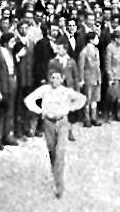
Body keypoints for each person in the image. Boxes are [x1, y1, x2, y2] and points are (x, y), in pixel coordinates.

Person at [23, 71, 86, 199]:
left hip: (62, 122)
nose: (55, 81)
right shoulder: (44, 89)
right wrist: (40, 111)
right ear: (49, 79)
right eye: (52, 78)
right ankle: (55, 173)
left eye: (58, 78)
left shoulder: (66, 91)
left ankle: (59, 185)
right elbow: (28, 100)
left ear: (62, 79)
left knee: (60, 152)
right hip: (48, 123)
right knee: (52, 150)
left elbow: (82, 99)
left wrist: (70, 108)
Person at [0, 32, 19, 150]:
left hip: (11, 84)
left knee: (10, 112)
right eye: (12, 41)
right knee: (0, 114)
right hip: (2, 86)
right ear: (6, 42)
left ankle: (7, 135)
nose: (13, 44)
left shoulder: (11, 53)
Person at [77, 32, 102, 127]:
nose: (97, 40)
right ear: (91, 40)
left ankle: (94, 118)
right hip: (88, 78)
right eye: (96, 38)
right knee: (87, 99)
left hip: (96, 77)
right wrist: (81, 79)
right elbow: (81, 67)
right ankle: (86, 119)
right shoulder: (84, 52)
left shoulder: (96, 50)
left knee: (95, 99)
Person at [104, 28, 120, 121]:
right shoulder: (110, 47)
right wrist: (110, 77)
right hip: (114, 75)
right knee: (112, 96)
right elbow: (107, 63)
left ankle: (117, 114)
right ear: (114, 38)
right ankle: (108, 114)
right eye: (118, 38)